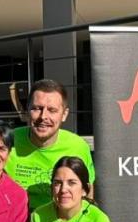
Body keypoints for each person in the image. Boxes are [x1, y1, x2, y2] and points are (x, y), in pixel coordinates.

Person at [6, 78, 95, 212]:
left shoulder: (78, 147)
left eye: (52, 110)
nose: (43, 117)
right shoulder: (7, 140)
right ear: (27, 111)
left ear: (64, 114)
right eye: (37, 108)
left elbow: (87, 195)